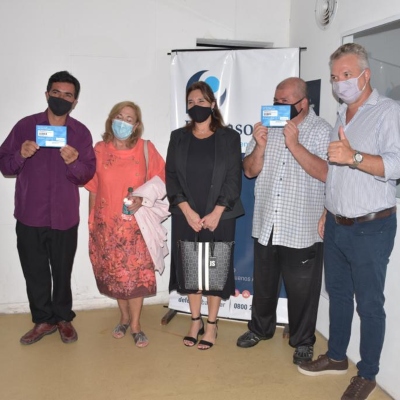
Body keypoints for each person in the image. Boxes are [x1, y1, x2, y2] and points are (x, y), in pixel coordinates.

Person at [298, 44, 400, 400]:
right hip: (337, 224)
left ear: (365, 75)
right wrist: (328, 209)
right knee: (338, 295)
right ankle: (337, 356)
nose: (339, 82)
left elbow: (396, 165)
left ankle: (367, 374)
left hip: (371, 227)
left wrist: (354, 156)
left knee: (369, 304)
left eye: (346, 75)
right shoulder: (342, 113)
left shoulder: (388, 112)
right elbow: (336, 173)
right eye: (334, 77)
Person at [236, 77, 332, 365]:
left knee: (303, 291)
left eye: (285, 101)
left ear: (303, 103)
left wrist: (295, 144)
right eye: (276, 100)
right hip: (267, 223)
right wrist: (260, 146)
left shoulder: (321, 130)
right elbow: (249, 171)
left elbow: (327, 173)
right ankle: (259, 329)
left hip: (302, 227)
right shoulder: (269, 128)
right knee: (264, 285)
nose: (278, 106)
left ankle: (302, 341)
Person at [0, 70, 96, 344]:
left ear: (74, 101)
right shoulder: (25, 126)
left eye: (68, 95)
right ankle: (43, 320)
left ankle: (63, 318)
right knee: (35, 271)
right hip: (30, 214)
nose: (61, 98)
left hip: (65, 216)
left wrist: (74, 162)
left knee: (63, 271)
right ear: (46, 94)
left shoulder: (80, 133)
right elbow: (4, 165)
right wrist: (20, 154)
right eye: (56, 93)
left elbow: (86, 174)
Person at [166, 81, 244, 350]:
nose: (195, 106)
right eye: (190, 102)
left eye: (201, 101)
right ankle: (194, 321)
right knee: (191, 270)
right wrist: (186, 210)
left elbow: (234, 178)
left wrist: (217, 211)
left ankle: (211, 324)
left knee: (214, 270)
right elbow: (171, 176)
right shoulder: (178, 137)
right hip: (186, 214)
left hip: (219, 215)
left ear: (212, 104)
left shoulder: (229, 138)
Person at [85, 101, 168, 348]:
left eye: (129, 119)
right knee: (115, 276)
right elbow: (93, 188)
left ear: (137, 125)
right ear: (111, 119)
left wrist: (143, 199)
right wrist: (92, 221)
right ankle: (123, 318)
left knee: (136, 276)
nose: (123, 122)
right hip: (107, 226)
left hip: (136, 226)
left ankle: (136, 325)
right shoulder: (99, 149)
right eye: (119, 116)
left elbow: (163, 179)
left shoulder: (145, 148)